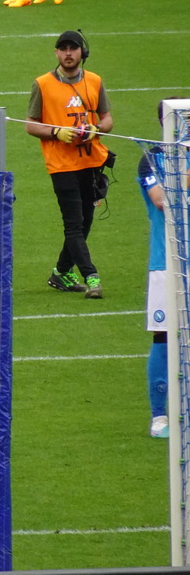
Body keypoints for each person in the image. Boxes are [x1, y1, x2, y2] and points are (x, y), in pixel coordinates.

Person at [26, 30, 112, 298]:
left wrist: (95, 129)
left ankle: (61, 271)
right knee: (73, 224)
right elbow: (30, 124)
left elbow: (108, 119)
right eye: (63, 49)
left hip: (90, 161)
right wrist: (56, 132)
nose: (68, 53)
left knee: (85, 221)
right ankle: (92, 276)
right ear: (56, 53)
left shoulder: (95, 82)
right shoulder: (42, 84)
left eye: (72, 49)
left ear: (81, 53)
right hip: (61, 165)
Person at [139, 102, 174, 438]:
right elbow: (162, 199)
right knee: (163, 336)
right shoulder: (151, 158)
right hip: (166, 263)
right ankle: (159, 416)